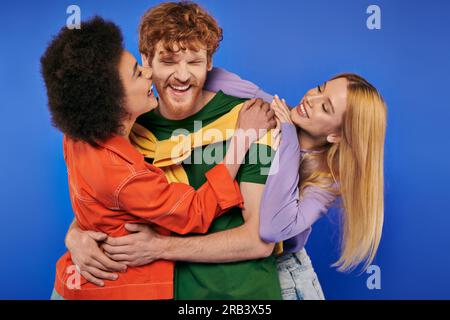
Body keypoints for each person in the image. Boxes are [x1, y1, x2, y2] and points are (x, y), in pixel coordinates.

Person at [63, 2, 286, 299]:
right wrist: (75, 235)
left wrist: (158, 246)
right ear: (147, 61)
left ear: (208, 62)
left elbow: (259, 240)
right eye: (168, 62)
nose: (182, 76)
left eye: (194, 62)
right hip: (158, 291)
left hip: (236, 295)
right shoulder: (127, 125)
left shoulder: (249, 120)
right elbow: (108, 198)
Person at [260, 74, 387, 299]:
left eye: (326, 107)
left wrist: (288, 135)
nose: (312, 99)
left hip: (287, 279)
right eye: (319, 88)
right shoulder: (283, 115)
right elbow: (227, 83)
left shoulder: (327, 182)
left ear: (336, 135)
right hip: (249, 269)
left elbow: (272, 229)